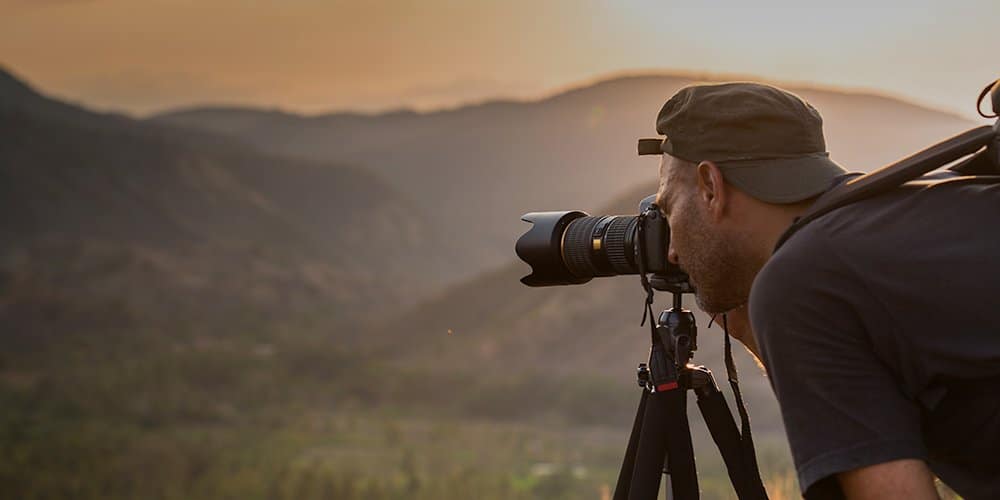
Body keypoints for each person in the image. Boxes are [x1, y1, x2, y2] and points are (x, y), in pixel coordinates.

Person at [642, 82, 1000, 499]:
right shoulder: (922, 212)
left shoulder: (805, 281)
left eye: (669, 209)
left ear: (710, 187)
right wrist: (752, 325)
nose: (670, 250)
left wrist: (778, 304)